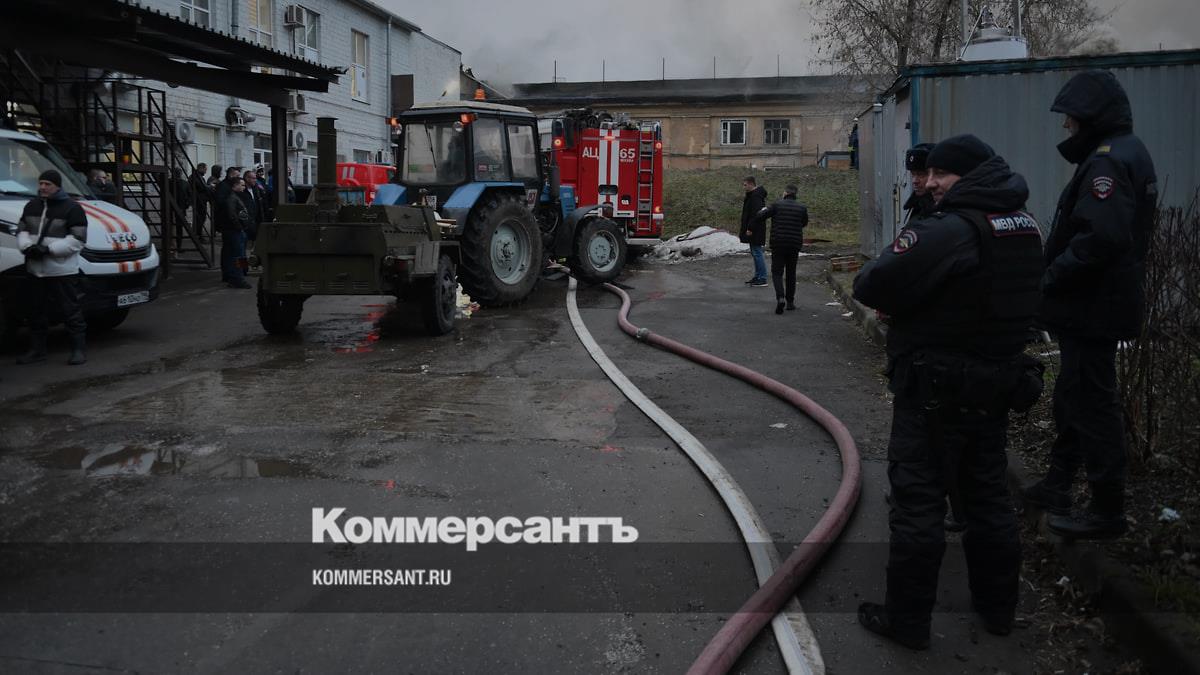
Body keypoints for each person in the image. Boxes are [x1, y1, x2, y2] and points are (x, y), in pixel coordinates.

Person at [852, 135, 1046, 650]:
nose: (930, 183)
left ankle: (908, 621)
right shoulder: (1022, 223)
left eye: (941, 175)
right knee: (987, 499)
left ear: (970, 175)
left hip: (936, 390)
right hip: (996, 387)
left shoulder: (953, 228)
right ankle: (998, 609)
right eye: (929, 173)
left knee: (918, 502)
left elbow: (872, 282)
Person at [1026, 70, 1157, 540]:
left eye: (1072, 120)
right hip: (1097, 306)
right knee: (1073, 396)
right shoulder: (1126, 152)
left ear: (1093, 119)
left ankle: (1107, 511)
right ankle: (1059, 484)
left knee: (1093, 404)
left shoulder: (1106, 163)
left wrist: (1051, 276)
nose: (1067, 129)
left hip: (1092, 307)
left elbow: (1101, 237)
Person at [15, 169, 89, 365]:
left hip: (62, 270)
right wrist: (27, 247)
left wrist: (48, 250)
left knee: (70, 311)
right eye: (41, 184)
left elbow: (78, 240)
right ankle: (38, 350)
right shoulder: (31, 206)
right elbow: (21, 230)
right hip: (35, 270)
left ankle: (78, 350)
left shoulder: (72, 208)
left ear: (57, 186)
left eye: (47, 184)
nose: (43, 187)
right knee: (35, 311)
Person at [749, 183, 808, 314]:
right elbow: (804, 223)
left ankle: (780, 298)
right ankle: (790, 302)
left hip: (778, 243)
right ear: (795, 194)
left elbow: (760, 216)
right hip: (794, 244)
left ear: (785, 193)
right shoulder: (802, 208)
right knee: (791, 273)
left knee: (777, 272)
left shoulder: (776, 205)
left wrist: (762, 210)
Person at [215, 176, 252, 289]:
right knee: (239, 255)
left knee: (233, 254)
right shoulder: (232, 198)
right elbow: (232, 215)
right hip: (235, 231)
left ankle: (234, 276)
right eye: (242, 185)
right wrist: (239, 227)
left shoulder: (234, 197)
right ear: (235, 186)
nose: (244, 187)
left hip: (235, 230)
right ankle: (239, 278)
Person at [739, 176, 768, 287]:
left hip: (755, 230)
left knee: (757, 253)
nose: (744, 187)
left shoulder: (755, 197)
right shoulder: (753, 196)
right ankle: (758, 276)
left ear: (751, 184)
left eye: (745, 184)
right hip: (754, 229)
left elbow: (757, 215)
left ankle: (762, 278)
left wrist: (750, 228)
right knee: (755, 253)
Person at [903, 143, 937, 225]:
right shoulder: (917, 205)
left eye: (921, 174)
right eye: (913, 174)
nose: (915, 181)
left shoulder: (941, 208)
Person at [190, 162, 212, 235]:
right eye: (205, 169)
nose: (206, 171)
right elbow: (203, 187)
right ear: (201, 168)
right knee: (200, 218)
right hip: (199, 201)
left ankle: (197, 234)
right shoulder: (196, 176)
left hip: (200, 200)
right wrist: (210, 186)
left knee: (200, 218)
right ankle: (198, 235)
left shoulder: (197, 176)